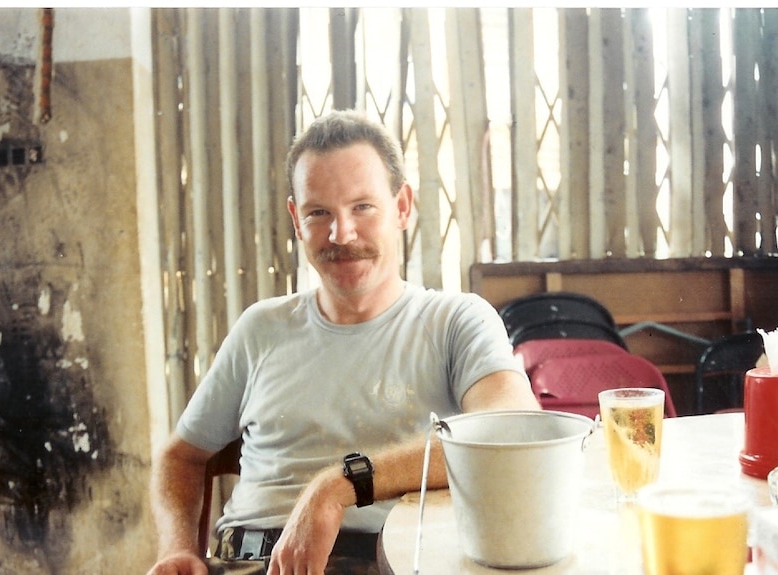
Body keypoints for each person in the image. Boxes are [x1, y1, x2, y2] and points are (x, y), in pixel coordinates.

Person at [146, 110, 540, 575]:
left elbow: (510, 429)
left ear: (402, 207)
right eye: (319, 213)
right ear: (296, 219)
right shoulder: (260, 328)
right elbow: (182, 455)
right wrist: (176, 548)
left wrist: (338, 487)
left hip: (385, 561)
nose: (341, 234)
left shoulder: (456, 320)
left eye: (362, 207)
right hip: (243, 562)